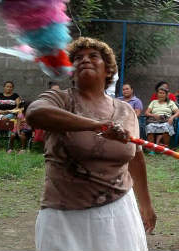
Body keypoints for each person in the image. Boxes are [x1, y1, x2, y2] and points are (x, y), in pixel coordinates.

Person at [26, 37, 155, 251]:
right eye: (77, 58)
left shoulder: (126, 111)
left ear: (108, 70)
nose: (85, 60)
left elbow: (136, 158)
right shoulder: (61, 99)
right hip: (64, 214)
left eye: (93, 56)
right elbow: (35, 114)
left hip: (119, 210)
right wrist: (96, 125)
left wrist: (146, 204)